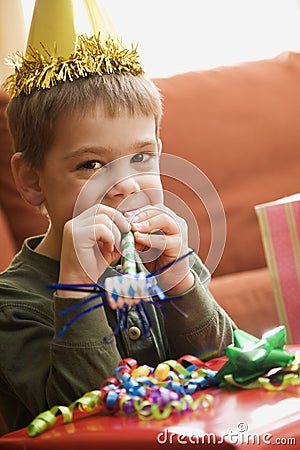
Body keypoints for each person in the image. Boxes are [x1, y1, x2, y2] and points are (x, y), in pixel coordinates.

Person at [0, 0, 235, 433]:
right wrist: (75, 289)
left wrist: (180, 283)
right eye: (90, 164)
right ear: (32, 180)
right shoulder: (13, 306)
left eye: (142, 156)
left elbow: (230, 367)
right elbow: (86, 421)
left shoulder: (166, 262)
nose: (126, 184)